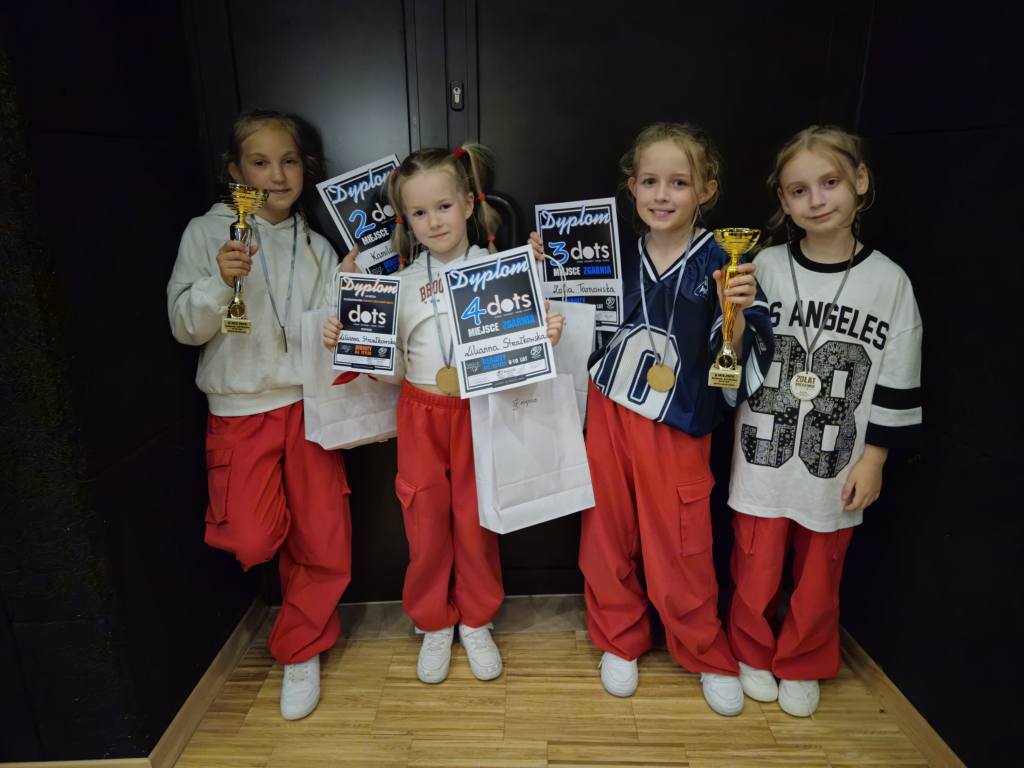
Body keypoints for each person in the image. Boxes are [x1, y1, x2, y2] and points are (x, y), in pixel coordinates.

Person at [322, 144, 563, 684]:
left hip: (480, 409)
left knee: (476, 519)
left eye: (444, 207)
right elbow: (393, 372)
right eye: (419, 212)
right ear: (405, 219)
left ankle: (476, 619)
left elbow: (520, 357)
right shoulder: (401, 285)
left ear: (469, 204)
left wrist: (543, 335)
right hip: (420, 411)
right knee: (424, 519)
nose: (433, 221)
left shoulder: (502, 271)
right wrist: (355, 345)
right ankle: (432, 621)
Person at [569, 122, 775, 715]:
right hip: (609, 409)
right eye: (650, 181)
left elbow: (736, 363)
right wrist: (547, 265)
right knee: (606, 530)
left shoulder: (724, 260)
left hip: (678, 420)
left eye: (679, 183)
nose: (663, 195)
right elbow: (571, 323)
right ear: (632, 187)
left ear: (706, 190)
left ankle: (702, 646)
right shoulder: (607, 252)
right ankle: (619, 635)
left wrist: (737, 314)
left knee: (681, 541)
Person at [727, 125, 922, 717]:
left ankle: (805, 659)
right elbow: (731, 358)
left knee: (820, 575)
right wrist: (733, 315)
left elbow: (898, 373)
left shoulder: (889, 282)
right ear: (783, 201)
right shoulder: (762, 265)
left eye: (830, 182)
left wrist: (875, 459)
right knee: (754, 566)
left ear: (860, 181)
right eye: (799, 190)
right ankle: (750, 650)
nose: (816, 200)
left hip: (836, 461)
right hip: (763, 453)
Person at [168, 110, 356, 720]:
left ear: (305, 168)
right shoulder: (207, 233)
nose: (277, 175)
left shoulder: (318, 245)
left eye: (289, 161)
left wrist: (348, 293)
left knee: (323, 536)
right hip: (240, 410)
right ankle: (294, 607)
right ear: (235, 171)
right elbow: (184, 327)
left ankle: (302, 646)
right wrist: (217, 284)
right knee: (251, 535)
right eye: (260, 162)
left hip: (307, 407)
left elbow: (328, 333)